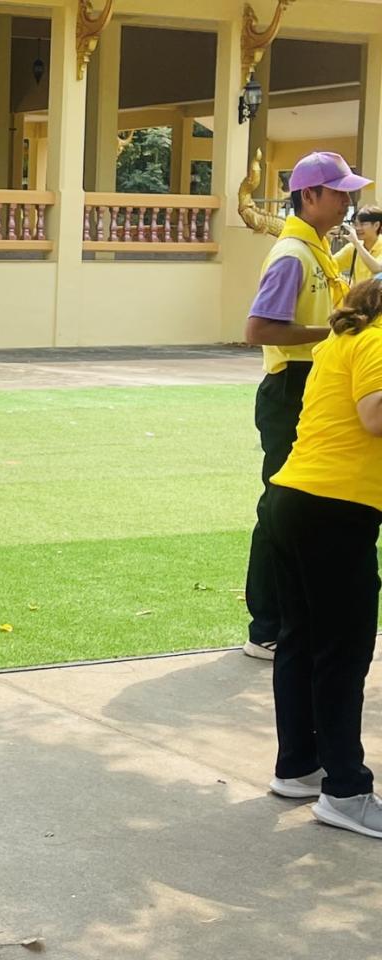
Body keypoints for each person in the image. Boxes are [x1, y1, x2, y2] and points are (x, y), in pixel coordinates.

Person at [241, 152, 368, 661]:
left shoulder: (316, 249)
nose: (346, 202)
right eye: (338, 193)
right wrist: (336, 331)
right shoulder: (294, 254)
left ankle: (287, 618)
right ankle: (266, 624)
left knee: (299, 506)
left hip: (309, 387)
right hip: (290, 386)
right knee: (281, 506)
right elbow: (258, 330)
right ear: (308, 195)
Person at [266, 279, 382, 838]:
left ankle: (299, 767)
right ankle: (346, 789)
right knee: (343, 651)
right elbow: (375, 416)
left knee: (302, 641)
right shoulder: (377, 343)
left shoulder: (339, 343)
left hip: (295, 504)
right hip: (334, 514)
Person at [335, 204, 382, 285]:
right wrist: (327, 238)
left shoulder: (356, 245)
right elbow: (331, 265)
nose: (358, 228)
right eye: (356, 224)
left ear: (376, 225)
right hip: (359, 297)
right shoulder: (353, 247)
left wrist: (356, 243)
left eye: (363, 224)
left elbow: (377, 269)